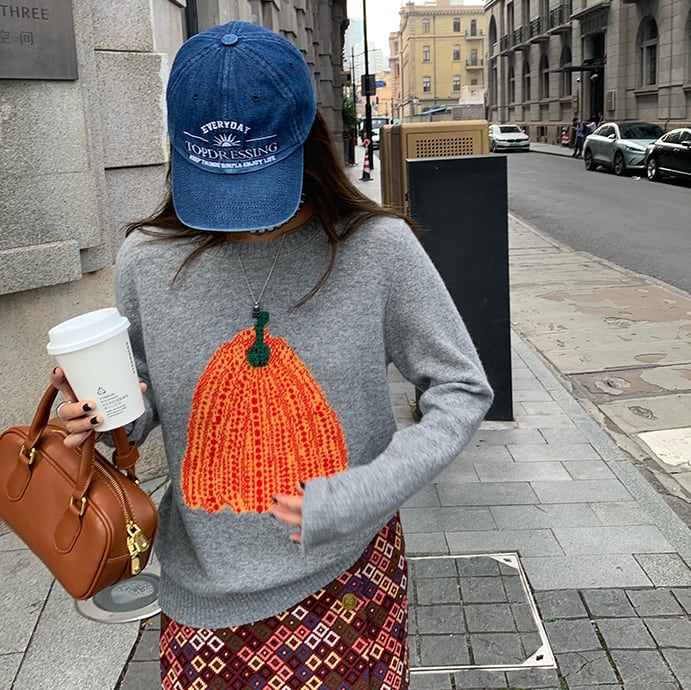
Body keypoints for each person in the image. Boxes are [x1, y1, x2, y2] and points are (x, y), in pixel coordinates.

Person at [50, 20, 492, 690]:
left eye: (257, 182)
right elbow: (144, 402)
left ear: (305, 138)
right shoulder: (146, 259)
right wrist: (97, 416)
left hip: (348, 579)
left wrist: (364, 491)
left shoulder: (376, 249)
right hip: (200, 593)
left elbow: (461, 387)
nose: (242, 215)